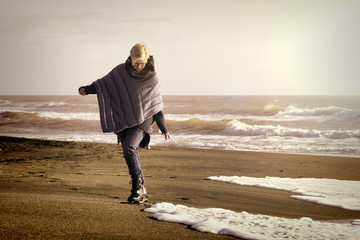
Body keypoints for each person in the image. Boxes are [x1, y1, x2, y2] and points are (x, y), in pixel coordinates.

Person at [78, 43, 170, 204]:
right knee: (129, 150)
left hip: (144, 119)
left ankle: (137, 187)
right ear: (131, 59)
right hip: (126, 118)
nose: (139, 66)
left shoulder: (152, 77)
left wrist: (163, 128)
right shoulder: (120, 72)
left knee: (129, 147)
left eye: (142, 63)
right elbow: (104, 84)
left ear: (147, 60)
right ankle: (142, 189)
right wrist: (87, 88)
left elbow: (156, 105)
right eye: (136, 63)